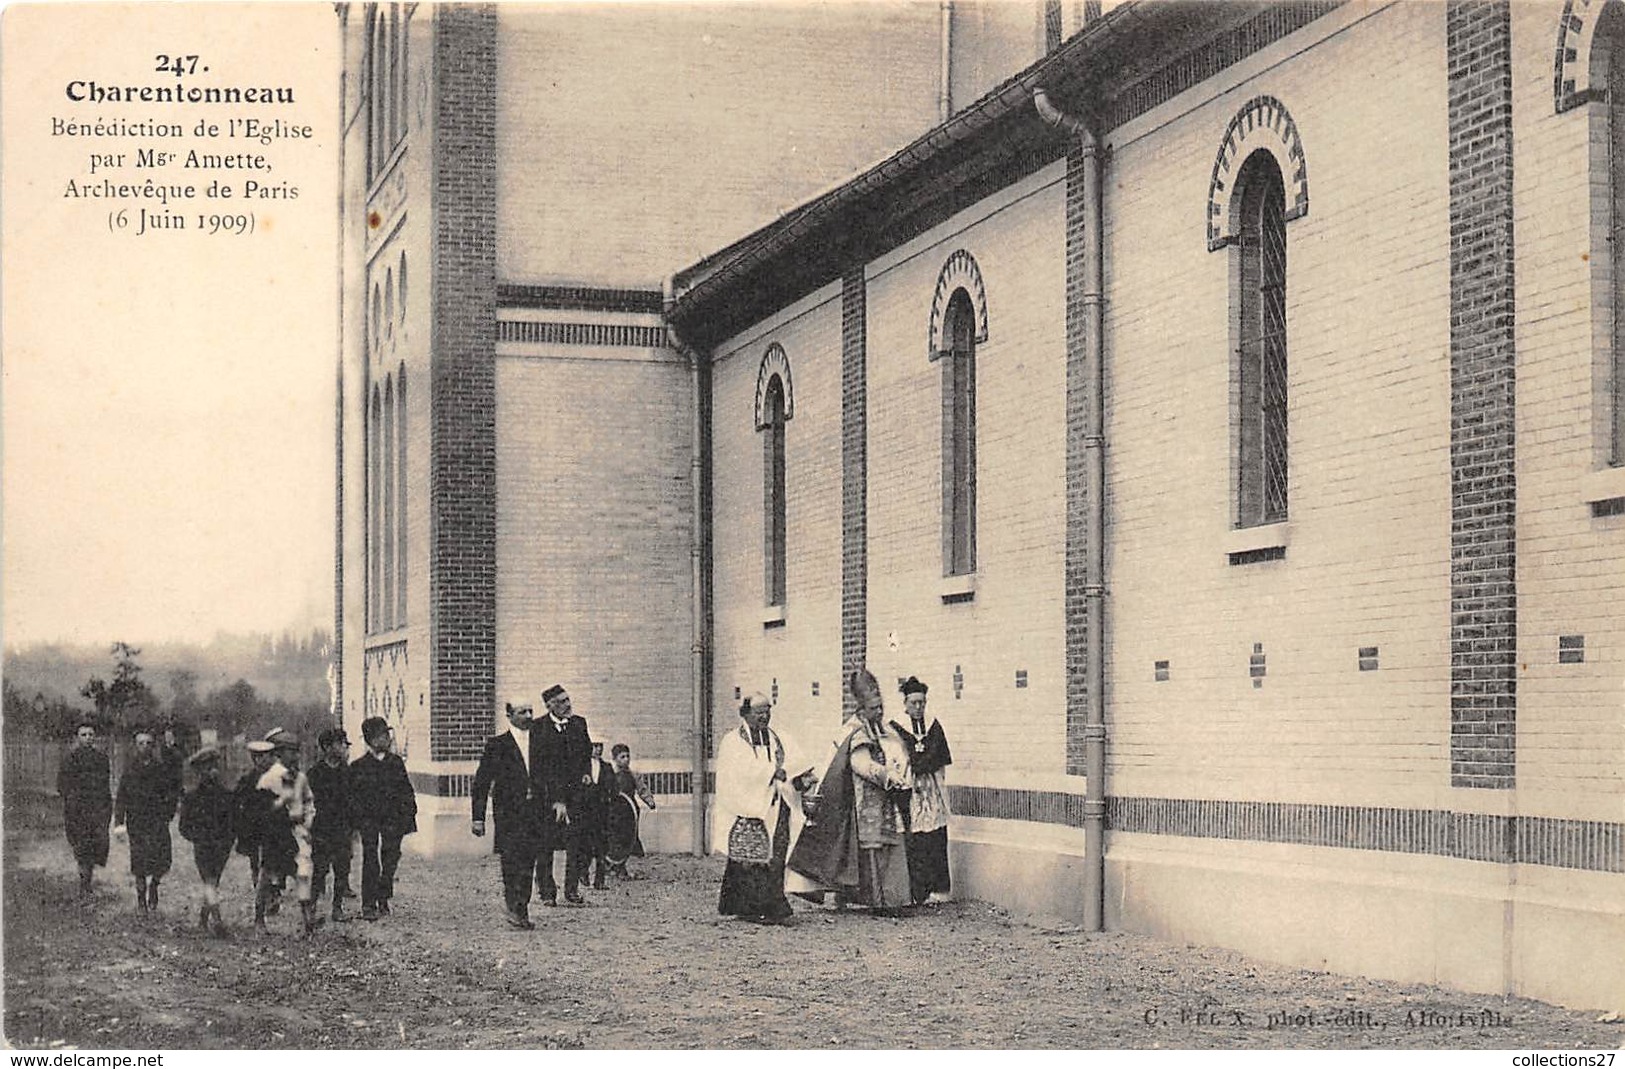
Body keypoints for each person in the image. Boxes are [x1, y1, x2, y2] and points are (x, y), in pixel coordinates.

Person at [788, 669, 912, 914]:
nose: (879, 712)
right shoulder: (855, 731)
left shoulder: (882, 728)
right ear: (862, 709)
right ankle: (871, 898)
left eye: (881, 707)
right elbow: (860, 764)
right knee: (863, 849)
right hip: (859, 802)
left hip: (884, 799)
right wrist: (887, 775)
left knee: (886, 847)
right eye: (874, 708)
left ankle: (888, 899)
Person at [715, 692, 815, 925]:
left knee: (776, 854)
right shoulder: (733, 741)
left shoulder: (778, 738)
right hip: (749, 807)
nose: (765, 716)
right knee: (750, 857)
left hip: (777, 804)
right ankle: (747, 908)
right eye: (759, 712)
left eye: (767, 711)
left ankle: (773, 905)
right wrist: (770, 772)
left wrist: (801, 778)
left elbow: (795, 764)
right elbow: (739, 772)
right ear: (746, 714)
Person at [471, 701, 546, 929]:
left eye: (531, 711)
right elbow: (482, 782)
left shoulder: (540, 742)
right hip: (509, 814)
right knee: (511, 860)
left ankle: (522, 907)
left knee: (529, 861)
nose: (528, 716)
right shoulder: (497, 745)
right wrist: (478, 817)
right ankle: (513, 906)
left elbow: (551, 775)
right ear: (509, 715)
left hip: (535, 812)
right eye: (522, 712)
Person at [891, 675, 953, 905]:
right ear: (905, 704)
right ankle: (917, 891)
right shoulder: (895, 728)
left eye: (922, 703)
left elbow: (939, 754)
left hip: (931, 790)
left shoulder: (934, 725)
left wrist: (923, 761)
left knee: (936, 837)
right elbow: (897, 757)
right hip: (910, 791)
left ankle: (939, 889)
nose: (918, 707)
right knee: (915, 839)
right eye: (914, 703)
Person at [349, 716, 417, 920]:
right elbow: (353, 797)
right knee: (370, 858)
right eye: (382, 736)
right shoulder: (358, 766)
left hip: (392, 819)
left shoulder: (395, 762)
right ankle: (368, 904)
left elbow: (406, 790)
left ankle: (383, 897)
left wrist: (409, 812)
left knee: (391, 857)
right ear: (371, 740)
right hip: (369, 820)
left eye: (387, 735)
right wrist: (357, 820)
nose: (387, 739)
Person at [533, 684, 592, 905]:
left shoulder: (579, 724)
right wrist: (556, 799)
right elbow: (540, 767)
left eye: (568, 700)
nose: (568, 705)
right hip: (548, 797)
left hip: (576, 795)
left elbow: (585, 752)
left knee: (576, 843)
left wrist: (586, 773)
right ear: (550, 706)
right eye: (562, 702)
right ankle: (548, 892)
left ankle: (572, 890)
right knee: (545, 844)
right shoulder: (538, 728)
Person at [112, 728, 181, 916]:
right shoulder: (130, 770)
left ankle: (154, 886)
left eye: (148, 743)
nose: (145, 747)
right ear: (136, 746)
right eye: (141, 743)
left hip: (157, 822)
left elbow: (171, 792)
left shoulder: (161, 769)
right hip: (137, 823)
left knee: (163, 860)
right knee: (139, 862)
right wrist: (119, 823)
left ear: (153, 746)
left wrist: (167, 813)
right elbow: (121, 798)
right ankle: (141, 901)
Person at [260, 731, 323, 935]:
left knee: (303, 873)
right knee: (269, 874)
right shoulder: (269, 778)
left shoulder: (300, 778)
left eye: (297, 752)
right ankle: (258, 917)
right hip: (276, 834)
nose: (296, 756)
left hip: (298, 832)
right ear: (279, 754)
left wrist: (308, 821)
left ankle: (308, 919)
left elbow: (309, 802)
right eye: (291, 752)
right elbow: (260, 806)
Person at [177, 746, 235, 936]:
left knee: (212, 882)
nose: (212, 771)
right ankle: (217, 920)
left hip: (221, 846)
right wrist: (197, 837)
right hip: (203, 845)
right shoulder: (192, 797)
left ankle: (203, 920)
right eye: (207, 768)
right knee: (210, 881)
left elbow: (232, 821)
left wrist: (228, 840)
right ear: (199, 771)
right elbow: (184, 826)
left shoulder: (226, 795)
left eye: (214, 766)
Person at [57, 721, 112, 899]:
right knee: (81, 847)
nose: (88, 738)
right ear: (77, 738)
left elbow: (105, 784)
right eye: (84, 735)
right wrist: (73, 800)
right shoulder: (70, 759)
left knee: (96, 846)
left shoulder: (101, 758)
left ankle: (87, 881)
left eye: (90, 734)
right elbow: (61, 785)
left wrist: (105, 808)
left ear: (94, 737)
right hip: (78, 811)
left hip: (97, 809)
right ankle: (84, 885)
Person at [307, 727, 355, 923]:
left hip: (343, 827)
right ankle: (311, 907)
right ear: (327, 747)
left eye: (344, 743)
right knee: (320, 869)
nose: (343, 747)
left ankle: (337, 908)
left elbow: (353, 798)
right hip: (321, 828)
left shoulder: (347, 771)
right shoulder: (315, 773)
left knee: (342, 868)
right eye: (339, 743)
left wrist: (353, 823)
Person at [234, 739, 279, 902]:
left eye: (271, 756)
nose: (270, 760)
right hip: (253, 828)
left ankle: (271, 893)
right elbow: (238, 803)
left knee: (272, 861)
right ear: (257, 759)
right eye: (266, 757)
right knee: (255, 862)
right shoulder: (247, 780)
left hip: (271, 828)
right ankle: (261, 895)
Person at [605, 743, 655, 879]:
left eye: (628, 756)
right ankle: (609, 866)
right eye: (622, 757)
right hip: (613, 813)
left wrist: (649, 800)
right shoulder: (610, 775)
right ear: (615, 759)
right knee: (612, 839)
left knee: (627, 839)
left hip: (629, 813)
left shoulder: (633, 775)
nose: (626, 759)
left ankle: (621, 868)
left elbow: (642, 789)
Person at [577, 742, 616, 891]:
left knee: (602, 847)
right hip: (586, 812)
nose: (597, 749)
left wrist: (609, 797)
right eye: (594, 746)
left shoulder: (607, 767)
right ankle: (583, 872)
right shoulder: (581, 766)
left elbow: (613, 787)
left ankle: (600, 880)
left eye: (600, 746)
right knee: (586, 845)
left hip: (602, 812)